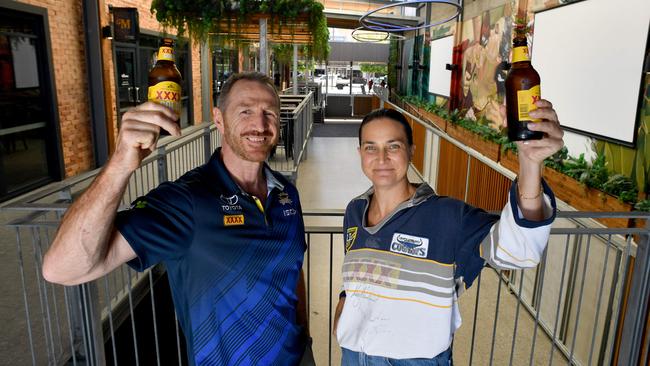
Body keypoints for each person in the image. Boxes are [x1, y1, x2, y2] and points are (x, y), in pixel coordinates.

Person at [42, 72, 313, 366]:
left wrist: (305, 335)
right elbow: (61, 269)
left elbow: (292, 269)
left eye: (269, 113)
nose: (259, 125)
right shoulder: (187, 201)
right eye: (245, 111)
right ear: (219, 119)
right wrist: (120, 162)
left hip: (297, 357)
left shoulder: (286, 193)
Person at [332, 104, 563, 365]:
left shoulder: (450, 217)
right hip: (353, 357)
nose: (381, 157)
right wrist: (344, 301)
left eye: (393, 146)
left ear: (411, 151)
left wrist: (530, 165)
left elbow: (519, 250)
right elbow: (358, 270)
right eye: (370, 147)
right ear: (360, 153)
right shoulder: (355, 211)